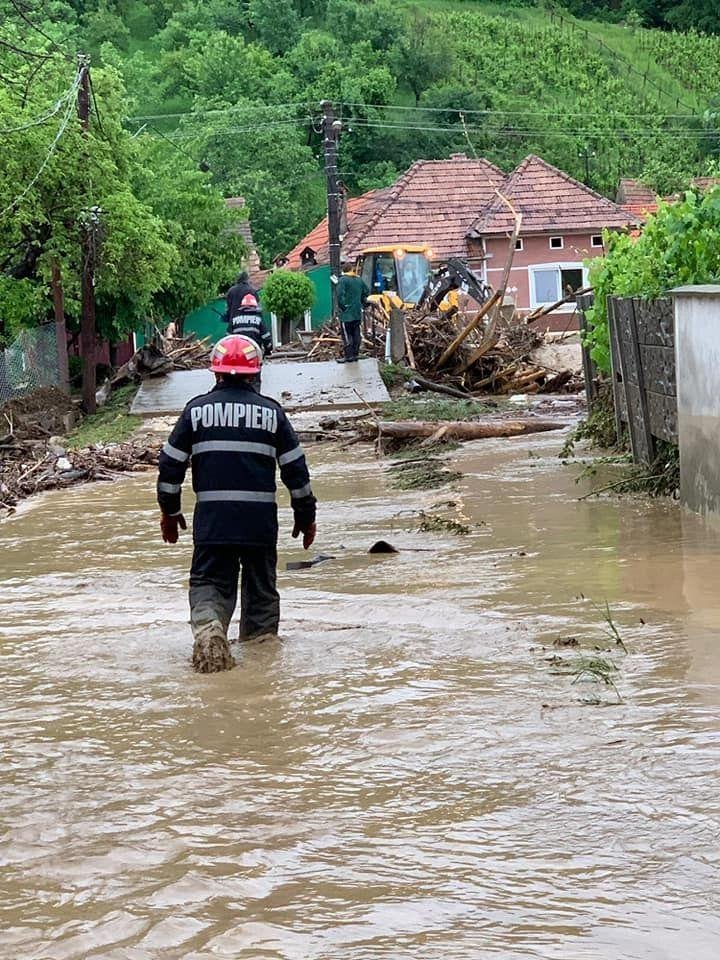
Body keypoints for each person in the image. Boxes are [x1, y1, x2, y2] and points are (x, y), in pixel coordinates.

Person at [157, 334, 317, 674]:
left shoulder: (195, 411)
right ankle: (260, 665)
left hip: (213, 524)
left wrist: (170, 512)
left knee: (208, 585)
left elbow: (170, 466)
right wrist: (306, 517)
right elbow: (296, 473)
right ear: (254, 373)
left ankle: (210, 628)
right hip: (259, 527)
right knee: (260, 596)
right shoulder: (273, 414)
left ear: (215, 373)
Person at [336, 258, 369, 363]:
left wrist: (343, 307)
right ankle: (355, 354)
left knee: (346, 334)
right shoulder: (359, 279)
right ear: (352, 269)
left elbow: (339, 295)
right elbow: (366, 291)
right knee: (356, 333)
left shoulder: (342, 280)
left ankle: (349, 356)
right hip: (357, 313)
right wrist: (362, 303)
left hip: (346, 314)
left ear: (343, 270)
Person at [226, 292, 273, 358]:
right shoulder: (258, 319)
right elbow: (266, 337)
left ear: (242, 306)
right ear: (254, 306)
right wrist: (268, 350)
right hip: (254, 353)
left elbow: (228, 338)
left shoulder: (234, 319)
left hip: (238, 354)